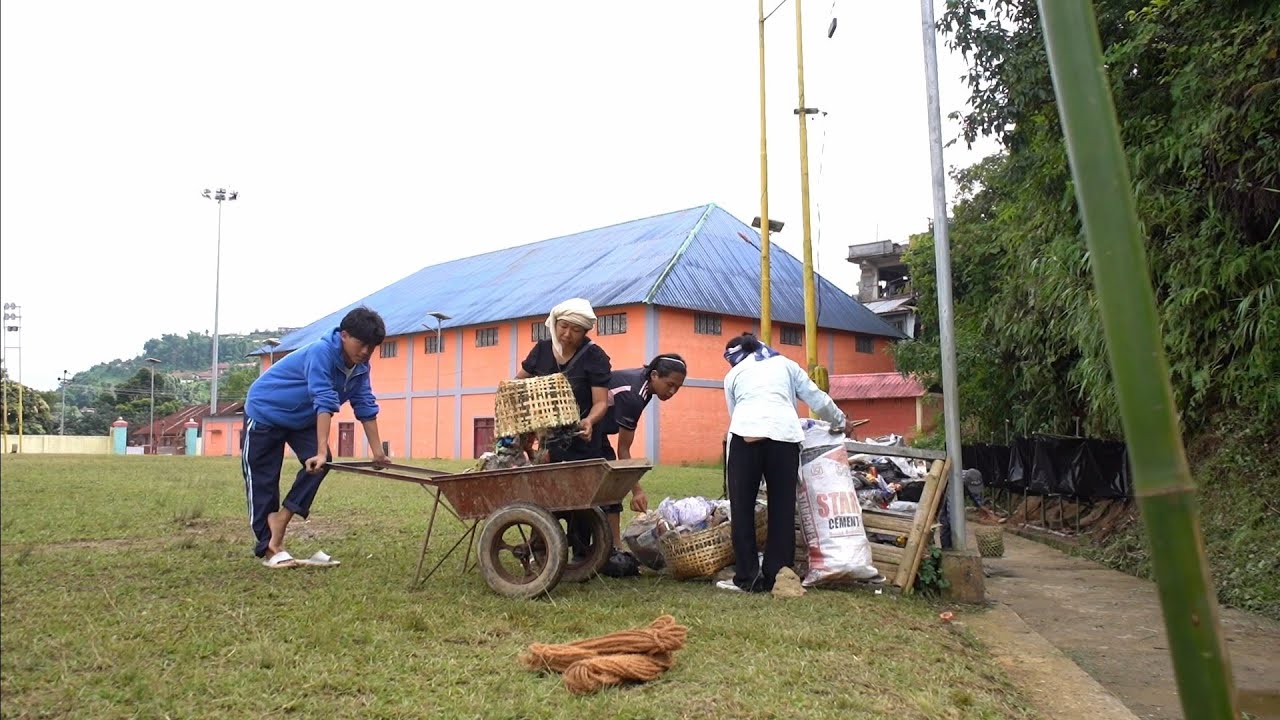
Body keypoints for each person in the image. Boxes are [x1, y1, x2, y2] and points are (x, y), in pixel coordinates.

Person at [241, 306, 388, 568]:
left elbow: (365, 404)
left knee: (321, 464)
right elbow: (324, 399)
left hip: (300, 418)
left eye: (372, 347)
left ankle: (281, 519)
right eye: (361, 343)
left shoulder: (361, 367)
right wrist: (320, 449)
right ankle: (270, 549)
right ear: (344, 335)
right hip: (266, 411)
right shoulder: (322, 352)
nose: (366, 351)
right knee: (264, 480)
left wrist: (378, 452)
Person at [718, 332, 859, 593]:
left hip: (746, 438)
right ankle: (778, 575)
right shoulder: (786, 364)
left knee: (742, 508)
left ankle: (747, 577)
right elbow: (816, 397)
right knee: (782, 507)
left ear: (734, 356)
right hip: (784, 440)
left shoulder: (733, 375)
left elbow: (734, 413)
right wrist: (841, 421)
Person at [598, 353, 688, 550]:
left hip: (597, 431)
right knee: (611, 485)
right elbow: (623, 450)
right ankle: (614, 548)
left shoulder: (644, 383)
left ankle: (614, 548)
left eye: (678, 388)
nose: (672, 392)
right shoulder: (634, 395)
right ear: (654, 375)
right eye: (670, 384)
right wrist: (637, 491)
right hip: (584, 429)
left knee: (611, 488)